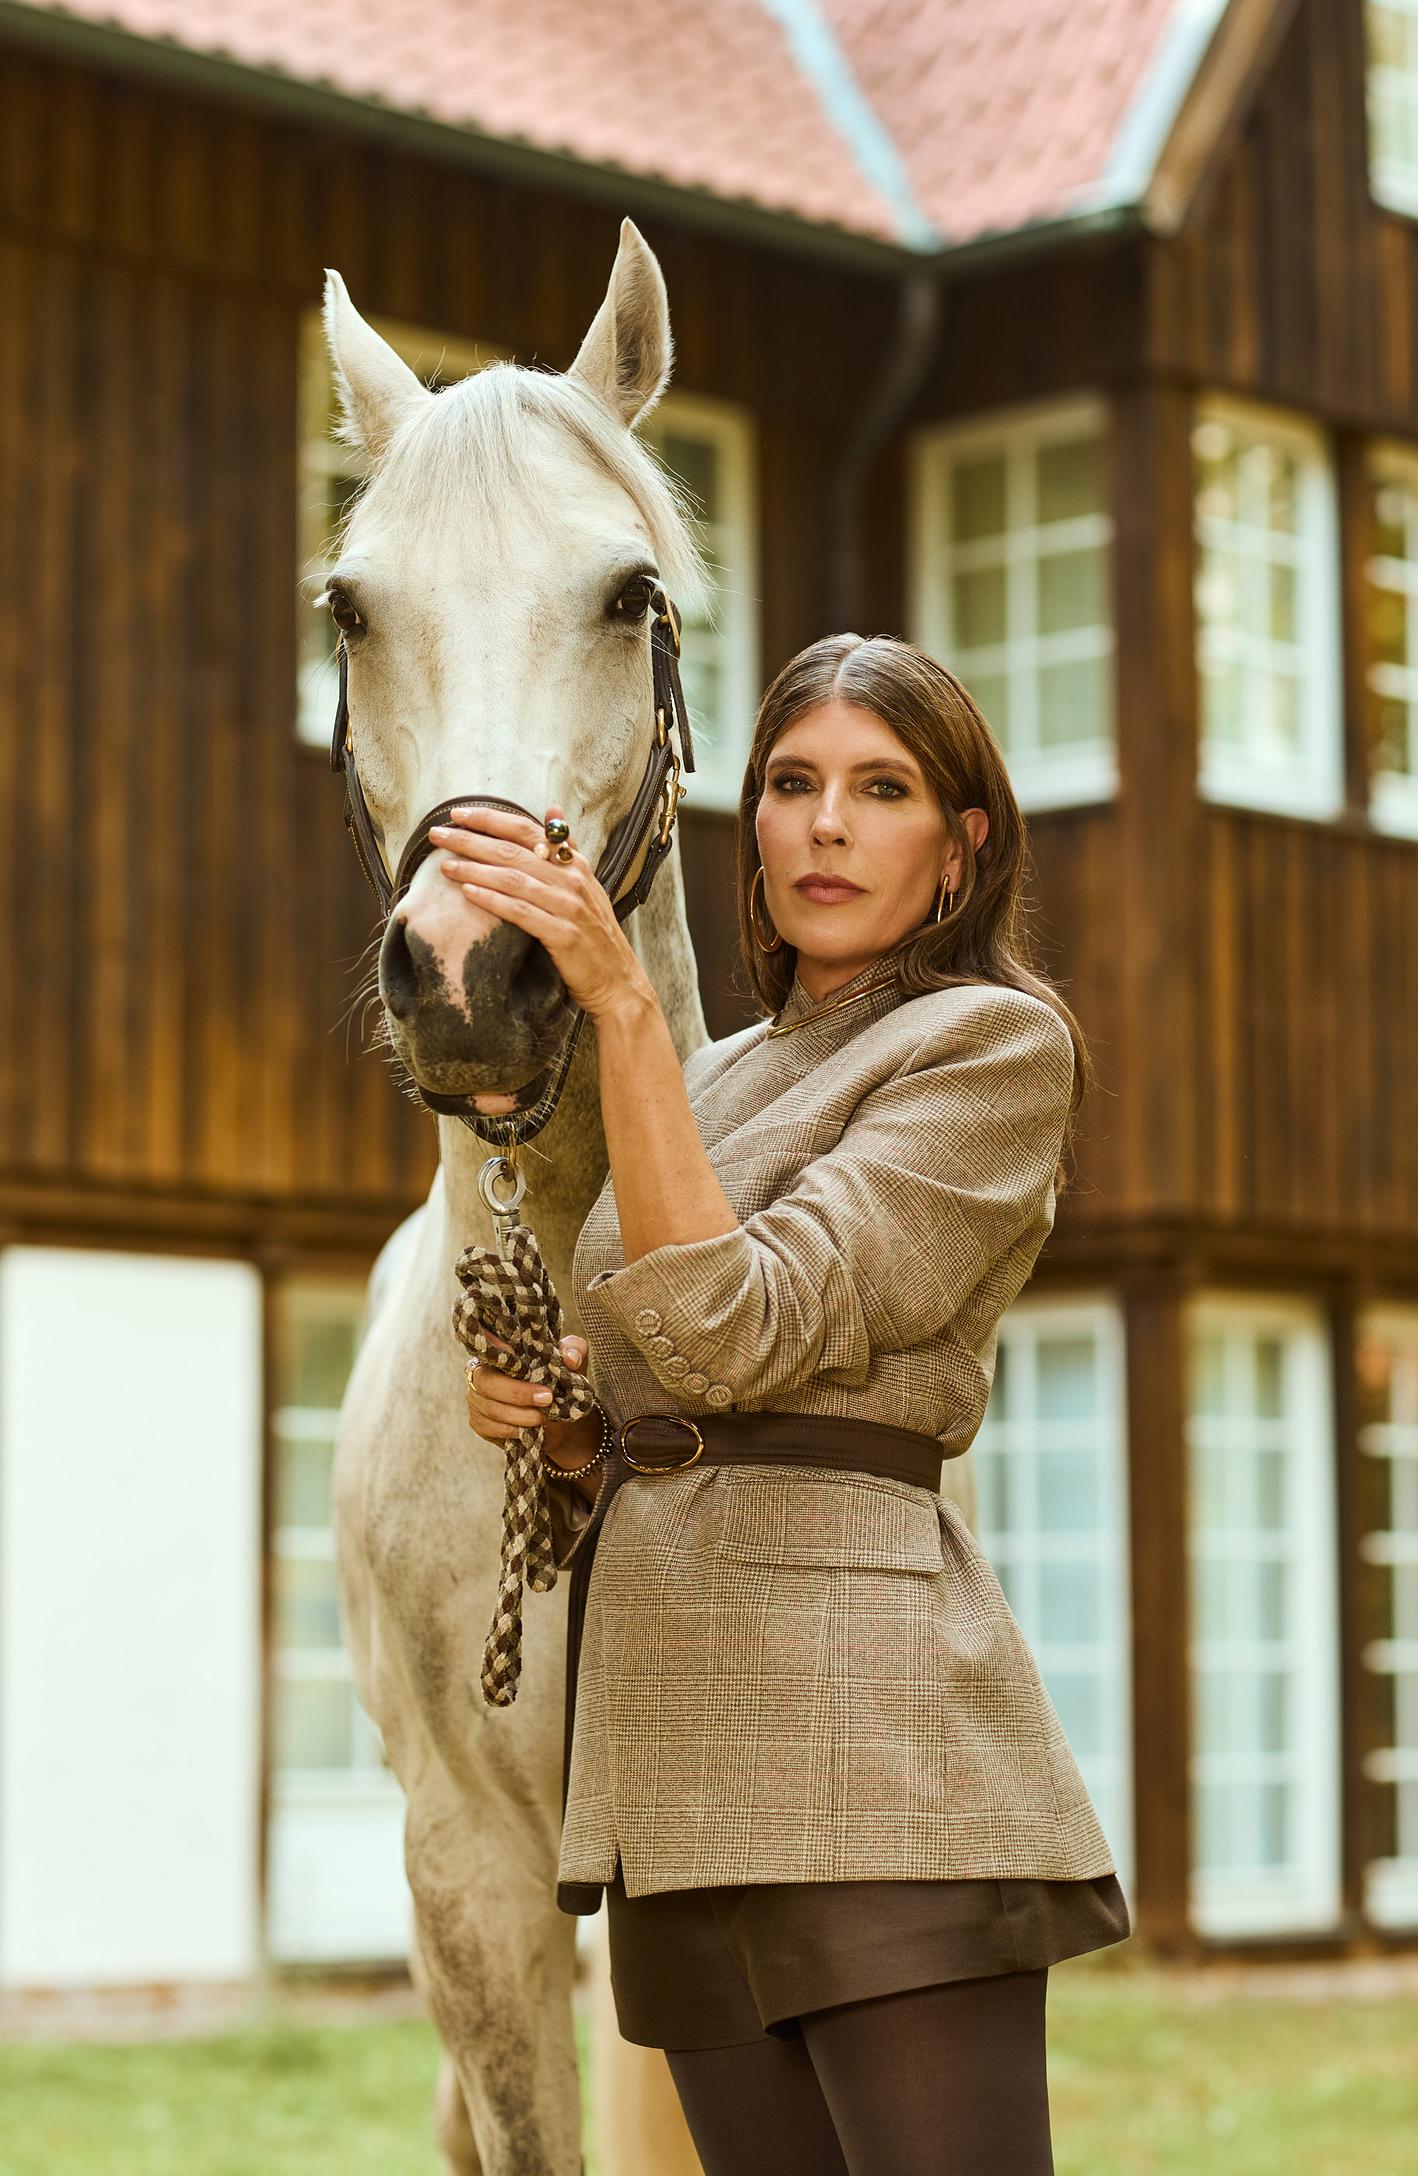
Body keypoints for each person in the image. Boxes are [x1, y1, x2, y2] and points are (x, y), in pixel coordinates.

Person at [430, 633, 1132, 2174]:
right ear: (748, 822)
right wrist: (569, 1429)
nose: (825, 823)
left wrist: (620, 1012)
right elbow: (683, 1385)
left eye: (881, 789)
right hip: (671, 1771)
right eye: (792, 783)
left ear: (963, 846)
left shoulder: (992, 1046)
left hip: (872, 1749)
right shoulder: (724, 1071)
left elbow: (743, 1327)